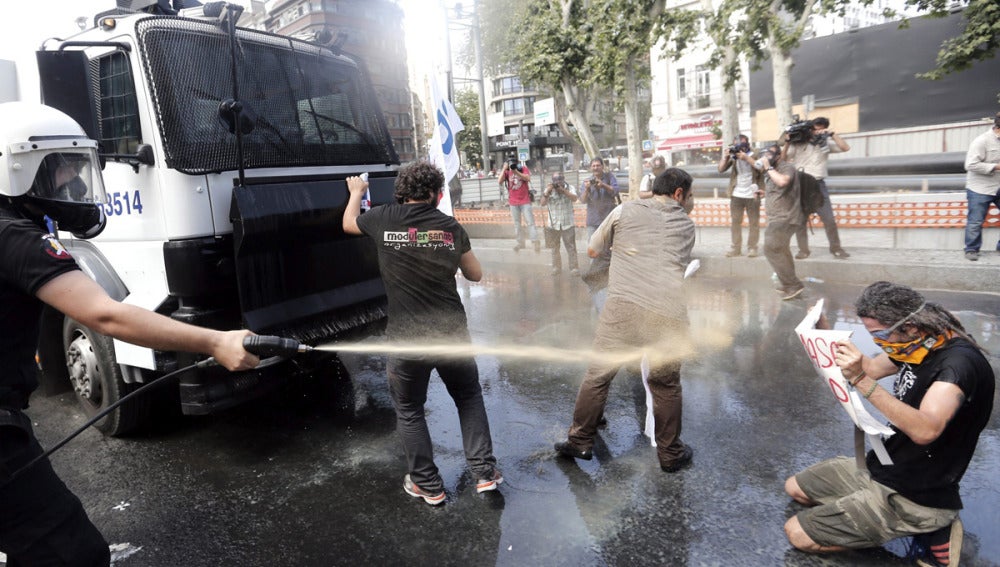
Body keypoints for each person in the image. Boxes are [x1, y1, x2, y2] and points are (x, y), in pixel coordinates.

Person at [0, 102, 259, 566]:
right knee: (72, 554)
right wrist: (216, 341)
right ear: (17, 169)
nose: (72, 184)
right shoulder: (15, 236)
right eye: (59, 170)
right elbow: (107, 316)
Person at [784, 281, 994, 567]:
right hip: (885, 465)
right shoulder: (917, 342)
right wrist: (824, 331)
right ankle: (867, 512)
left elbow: (925, 430)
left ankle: (932, 528)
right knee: (795, 487)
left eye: (878, 334)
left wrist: (861, 381)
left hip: (915, 493)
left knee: (797, 533)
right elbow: (870, 367)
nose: (877, 343)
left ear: (911, 325)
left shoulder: (957, 368)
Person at [343, 161, 501, 506]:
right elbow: (474, 274)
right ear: (436, 194)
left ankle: (428, 485)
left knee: (410, 408)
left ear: (403, 192)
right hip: (452, 336)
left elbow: (348, 224)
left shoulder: (384, 217)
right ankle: (485, 474)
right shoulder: (450, 226)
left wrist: (356, 193)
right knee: (469, 398)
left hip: (407, 340)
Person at [554, 168, 696, 473]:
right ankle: (670, 453)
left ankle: (580, 441)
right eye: (691, 195)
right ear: (679, 194)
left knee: (598, 375)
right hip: (668, 316)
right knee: (666, 385)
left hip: (623, 309)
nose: (691, 201)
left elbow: (593, 249)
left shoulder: (624, 210)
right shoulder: (687, 225)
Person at [785, 116, 851, 259]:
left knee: (829, 219)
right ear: (810, 129)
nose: (817, 132)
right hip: (800, 183)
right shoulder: (798, 143)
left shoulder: (825, 144)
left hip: (818, 184)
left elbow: (845, 148)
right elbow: (784, 158)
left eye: (821, 130)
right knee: (800, 220)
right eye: (815, 129)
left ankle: (836, 249)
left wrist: (832, 134)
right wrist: (787, 141)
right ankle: (803, 250)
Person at [758, 143, 806, 301]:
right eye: (764, 154)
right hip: (778, 217)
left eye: (770, 154)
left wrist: (768, 168)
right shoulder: (772, 171)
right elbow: (779, 190)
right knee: (782, 250)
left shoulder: (786, 167)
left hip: (785, 217)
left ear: (778, 156)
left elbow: (784, 182)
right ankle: (788, 284)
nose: (766, 157)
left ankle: (793, 285)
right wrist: (764, 193)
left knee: (771, 249)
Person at [961, 112, 1000, 261]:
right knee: (975, 221)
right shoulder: (981, 141)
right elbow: (970, 164)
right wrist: (996, 167)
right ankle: (971, 249)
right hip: (980, 188)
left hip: (998, 185)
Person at [718, 135, 765, 257]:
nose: (739, 147)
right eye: (736, 145)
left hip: (753, 193)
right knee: (735, 222)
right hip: (736, 193)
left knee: (753, 223)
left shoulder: (755, 153)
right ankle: (736, 248)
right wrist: (726, 156)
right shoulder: (734, 156)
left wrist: (747, 158)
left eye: (741, 144)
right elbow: (720, 169)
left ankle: (752, 247)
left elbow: (762, 168)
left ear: (747, 144)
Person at [540, 171, 580, 276]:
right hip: (553, 224)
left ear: (563, 179)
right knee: (554, 248)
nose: (558, 182)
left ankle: (574, 268)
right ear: (552, 181)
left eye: (560, 179)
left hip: (568, 223)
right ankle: (556, 268)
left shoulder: (569, 187)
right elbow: (542, 203)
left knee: (571, 247)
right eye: (555, 180)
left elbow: (575, 198)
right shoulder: (549, 189)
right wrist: (547, 192)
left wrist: (563, 191)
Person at [498, 157, 540, 253]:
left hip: (525, 201)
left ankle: (535, 241)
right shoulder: (507, 171)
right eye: (510, 163)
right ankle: (520, 243)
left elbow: (528, 178)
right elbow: (499, 181)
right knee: (517, 224)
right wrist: (504, 169)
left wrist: (516, 171)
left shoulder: (522, 168)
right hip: (513, 202)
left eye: (513, 163)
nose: (512, 165)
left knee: (530, 222)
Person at [579, 157, 620, 238]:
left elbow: (616, 191)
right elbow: (582, 200)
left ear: (602, 167)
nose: (596, 168)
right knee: (592, 248)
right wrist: (587, 189)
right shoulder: (587, 181)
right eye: (593, 166)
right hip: (593, 220)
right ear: (590, 168)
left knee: (609, 247)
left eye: (598, 165)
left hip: (609, 219)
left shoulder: (609, 177)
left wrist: (603, 185)